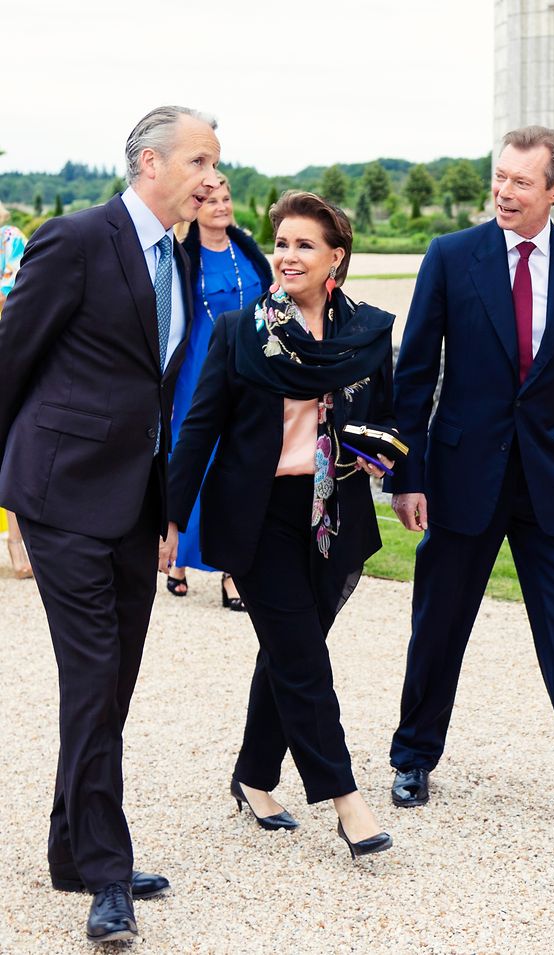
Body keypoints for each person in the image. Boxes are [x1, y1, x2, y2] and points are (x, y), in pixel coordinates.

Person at [387, 126, 554, 841]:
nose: (504, 191)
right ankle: (413, 758)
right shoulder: (450, 256)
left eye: (521, 182)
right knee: (438, 626)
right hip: (461, 477)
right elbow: (415, 375)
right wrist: (408, 475)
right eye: (499, 177)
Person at [0, 105, 221, 942]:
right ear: (151, 162)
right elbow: (11, 360)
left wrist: (166, 507)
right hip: (60, 496)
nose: (213, 178)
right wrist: (7, 501)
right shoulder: (75, 239)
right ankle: (105, 871)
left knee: (111, 683)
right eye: (200, 161)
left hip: (133, 502)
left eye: (216, 163)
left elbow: (157, 389)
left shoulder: (180, 256)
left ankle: (69, 847)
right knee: (94, 678)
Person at [161, 191, 394, 859]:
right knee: (303, 658)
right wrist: (171, 517)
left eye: (304, 245)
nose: (287, 255)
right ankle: (346, 800)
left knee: (290, 652)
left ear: (335, 258)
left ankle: (255, 775)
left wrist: (393, 467)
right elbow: (199, 428)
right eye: (282, 243)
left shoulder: (367, 332)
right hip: (257, 515)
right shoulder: (241, 331)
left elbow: (391, 416)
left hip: (333, 515)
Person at [168, 174, 272, 609]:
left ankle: (232, 569)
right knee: (196, 457)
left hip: (249, 368)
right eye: (212, 201)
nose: (222, 206)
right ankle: (179, 556)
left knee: (239, 461)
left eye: (227, 199)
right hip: (199, 369)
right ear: (196, 208)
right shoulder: (183, 256)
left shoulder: (247, 250)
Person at [0, 210, 33, 578]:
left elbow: (16, 296)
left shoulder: (9, 239)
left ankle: (16, 541)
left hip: (6, 348)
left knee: (9, 444)